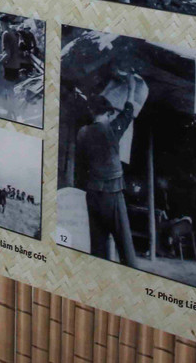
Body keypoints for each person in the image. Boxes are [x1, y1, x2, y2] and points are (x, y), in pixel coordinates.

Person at [75, 95, 138, 267]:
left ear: (92, 112)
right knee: (126, 248)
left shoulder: (83, 133)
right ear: (108, 114)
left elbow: (80, 169)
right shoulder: (111, 129)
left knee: (98, 248)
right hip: (112, 194)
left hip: (92, 194)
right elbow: (127, 114)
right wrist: (131, 91)